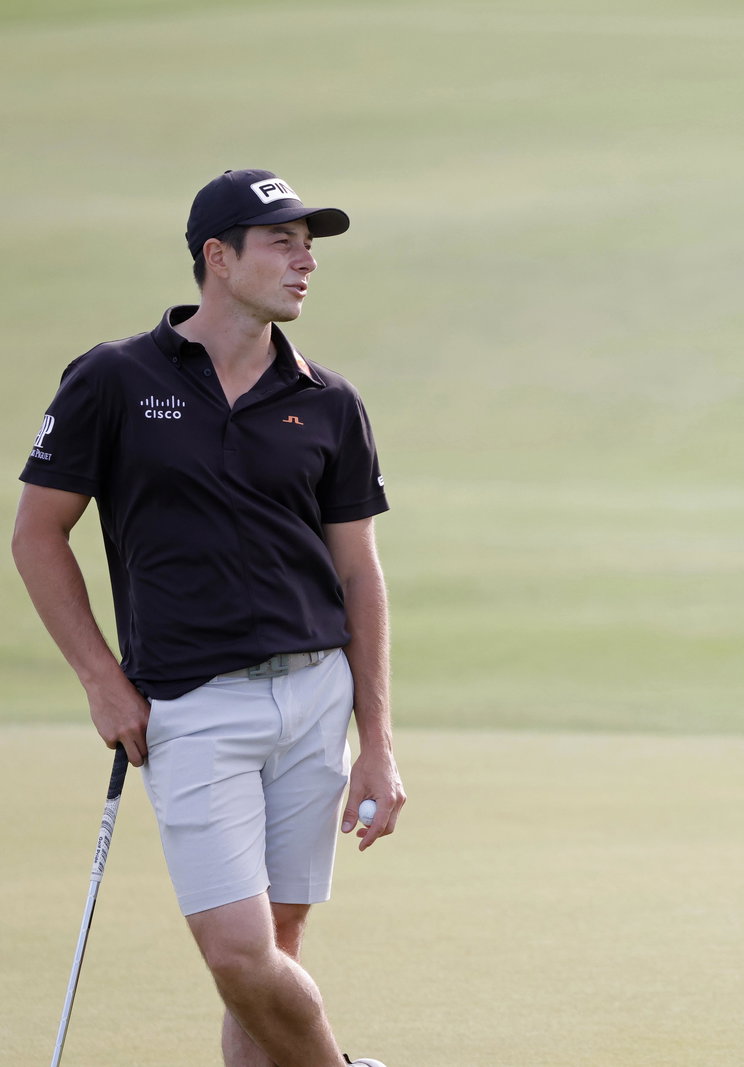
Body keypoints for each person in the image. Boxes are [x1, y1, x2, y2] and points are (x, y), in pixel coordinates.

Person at [12, 169, 404, 1067]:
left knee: (274, 954)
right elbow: (36, 535)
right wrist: (101, 681)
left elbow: (359, 571)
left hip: (314, 695)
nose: (306, 261)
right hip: (190, 705)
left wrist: (377, 739)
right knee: (237, 953)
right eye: (282, 243)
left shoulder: (328, 399)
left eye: (310, 245)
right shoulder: (115, 379)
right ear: (217, 257)